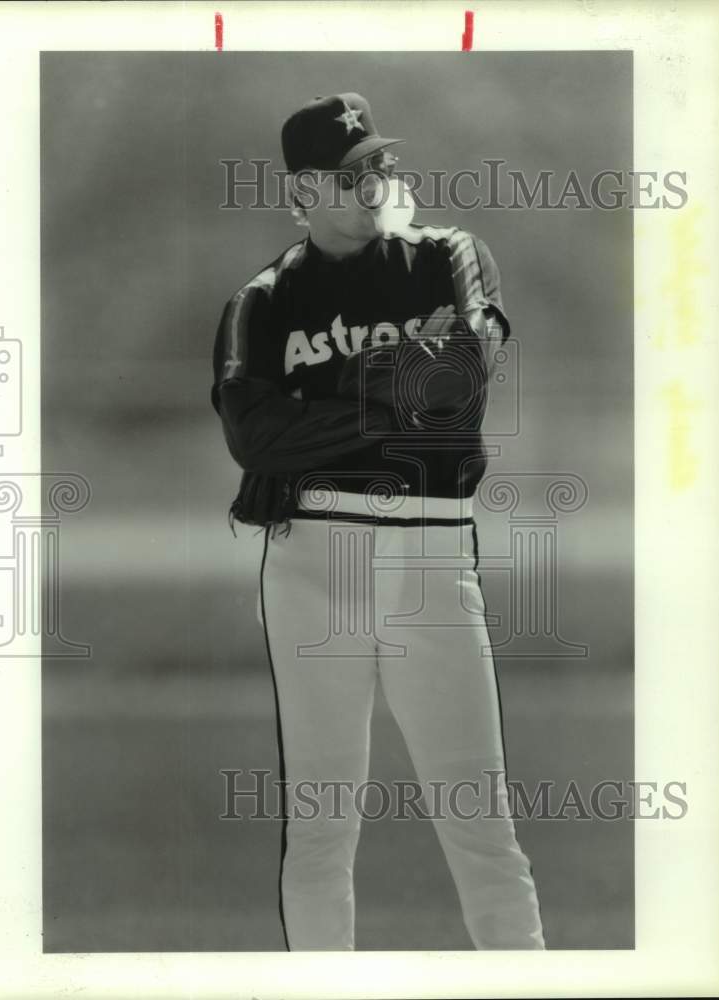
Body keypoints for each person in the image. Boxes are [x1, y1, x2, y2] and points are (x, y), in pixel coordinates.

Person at [211, 92, 545, 951]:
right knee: (321, 826)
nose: (375, 181)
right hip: (312, 565)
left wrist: (318, 415)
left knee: (478, 819)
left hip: (433, 556)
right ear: (301, 193)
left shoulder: (448, 258)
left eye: (381, 166)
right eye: (349, 172)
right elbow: (254, 439)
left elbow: (460, 389)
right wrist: (392, 387)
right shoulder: (266, 299)